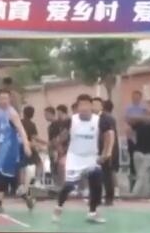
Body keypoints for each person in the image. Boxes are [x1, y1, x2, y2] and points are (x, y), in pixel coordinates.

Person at [51, 94, 113, 225]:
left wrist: (106, 153)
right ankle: (59, 207)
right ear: (77, 107)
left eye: (86, 105)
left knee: (97, 183)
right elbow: (61, 138)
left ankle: (92, 212)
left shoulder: (99, 121)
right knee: (69, 186)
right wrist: (60, 151)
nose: (84, 108)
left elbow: (109, 135)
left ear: (91, 106)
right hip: (75, 157)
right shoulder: (71, 121)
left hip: (91, 157)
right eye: (81, 105)